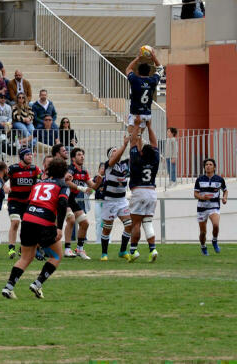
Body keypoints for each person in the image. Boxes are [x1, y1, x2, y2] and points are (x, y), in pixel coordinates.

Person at [1, 157, 69, 300]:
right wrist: (59, 228)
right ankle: (37, 284)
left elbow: (30, 201)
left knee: (26, 257)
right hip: (44, 223)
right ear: (64, 171)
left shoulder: (39, 184)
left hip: (28, 220)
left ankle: (8, 287)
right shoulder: (62, 185)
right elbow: (62, 203)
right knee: (56, 256)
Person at [92, 137, 132, 261]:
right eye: (114, 151)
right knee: (107, 228)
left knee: (129, 224)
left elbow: (133, 156)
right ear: (110, 156)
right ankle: (104, 253)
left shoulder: (124, 165)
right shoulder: (107, 165)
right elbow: (116, 158)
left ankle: (123, 251)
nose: (116, 151)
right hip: (109, 201)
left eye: (117, 150)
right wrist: (124, 145)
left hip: (122, 201)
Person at [127, 120, 160, 262]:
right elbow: (155, 143)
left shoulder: (136, 159)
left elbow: (133, 142)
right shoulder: (155, 160)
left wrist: (136, 127)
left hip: (139, 191)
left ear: (141, 152)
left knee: (136, 223)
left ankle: (133, 251)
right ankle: (153, 249)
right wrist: (150, 127)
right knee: (148, 222)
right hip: (152, 192)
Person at [6, 148, 41, 258]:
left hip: (29, 202)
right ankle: (11, 249)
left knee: (28, 226)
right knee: (15, 222)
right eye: (27, 155)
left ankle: (23, 248)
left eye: (31, 154)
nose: (30, 156)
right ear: (21, 157)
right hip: (14, 201)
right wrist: (4, 186)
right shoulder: (13, 168)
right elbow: (0, 178)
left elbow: (43, 179)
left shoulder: (35, 169)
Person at [64, 147, 98, 259]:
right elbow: (67, 181)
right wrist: (82, 188)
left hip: (71, 200)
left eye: (83, 154)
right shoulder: (70, 169)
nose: (82, 156)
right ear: (73, 158)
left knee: (85, 223)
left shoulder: (84, 171)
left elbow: (91, 186)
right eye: (79, 154)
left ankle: (79, 249)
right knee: (71, 219)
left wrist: (99, 182)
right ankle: (67, 248)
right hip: (63, 198)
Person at [194, 158, 228, 256]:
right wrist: (202, 197)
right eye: (206, 165)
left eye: (210, 164)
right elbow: (195, 194)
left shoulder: (219, 179)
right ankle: (203, 246)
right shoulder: (199, 179)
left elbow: (225, 190)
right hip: (202, 208)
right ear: (204, 167)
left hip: (214, 207)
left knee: (216, 225)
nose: (208, 166)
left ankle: (214, 241)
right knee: (203, 232)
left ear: (214, 167)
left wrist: (225, 198)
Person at [125, 49, 163, 134]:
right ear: (149, 72)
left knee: (132, 138)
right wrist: (154, 58)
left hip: (136, 113)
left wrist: (138, 58)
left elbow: (128, 69)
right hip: (147, 114)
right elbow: (160, 69)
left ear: (137, 72)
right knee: (139, 138)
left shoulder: (135, 80)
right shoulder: (152, 80)